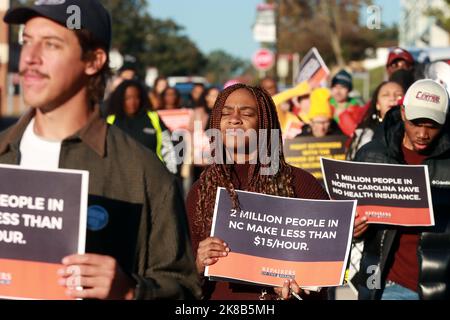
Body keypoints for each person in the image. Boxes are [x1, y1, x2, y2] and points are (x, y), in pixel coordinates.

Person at [1, 0, 200, 300]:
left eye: (51, 44)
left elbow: (183, 289)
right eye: (26, 41)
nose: (30, 57)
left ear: (94, 60)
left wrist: (131, 291)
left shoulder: (145, 175)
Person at [186, 83, 330, 300]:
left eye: (247, 113)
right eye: (226, 113)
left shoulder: (300, 184)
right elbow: (178, 277)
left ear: (264, 124)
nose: (234, 119)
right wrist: (197, 264)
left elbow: (325, 267)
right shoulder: (201, 189)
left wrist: (300, 289)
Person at [352, 79, 450, 300]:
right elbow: (351, 217)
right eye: (416, 123)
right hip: (386, 284)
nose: (423, 133)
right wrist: (354, 230)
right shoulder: (372, 155)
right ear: (403, 113)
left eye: (432, 125)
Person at [106, 79, 178, 174]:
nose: (133, 102)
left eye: (136, 98)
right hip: (121, 177)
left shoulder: (153, 117)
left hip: (153, 175)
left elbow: (168, 147)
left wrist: (172, 174)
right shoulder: (110, 121)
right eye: (128, 98)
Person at [347, 81, 404, 160]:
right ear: (377, 104)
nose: (392, 98)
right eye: (386, 95)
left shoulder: (413, 132)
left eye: (398, 95)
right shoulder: (365, 135)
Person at [329, 70, 365, 137]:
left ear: (349, 90)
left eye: (343, 87)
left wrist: (342, 115)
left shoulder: (356, 108)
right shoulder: (326, 104)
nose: (338, 91)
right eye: (335, 87)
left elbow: (354, 133)